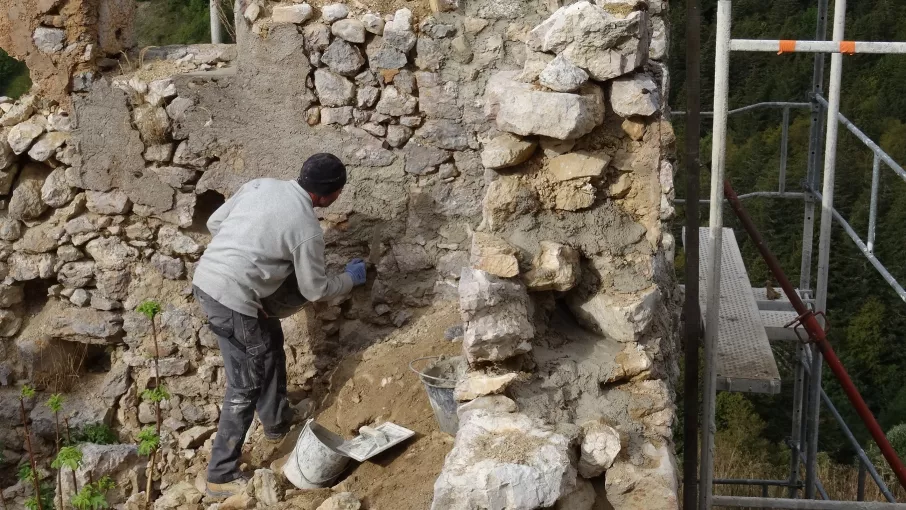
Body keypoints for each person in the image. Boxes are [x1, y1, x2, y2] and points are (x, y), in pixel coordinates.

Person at [192, 153, 367, 498]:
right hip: (233, 301)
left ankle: (276, 422)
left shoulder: (260, 185)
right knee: (245, 384)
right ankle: (220, 474)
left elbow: (215, 224)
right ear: (330, 194)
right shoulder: (306, 228)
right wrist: (349, 279)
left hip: (206, 281)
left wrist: (251, 263)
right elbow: (314, 289)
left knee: (268, 337)